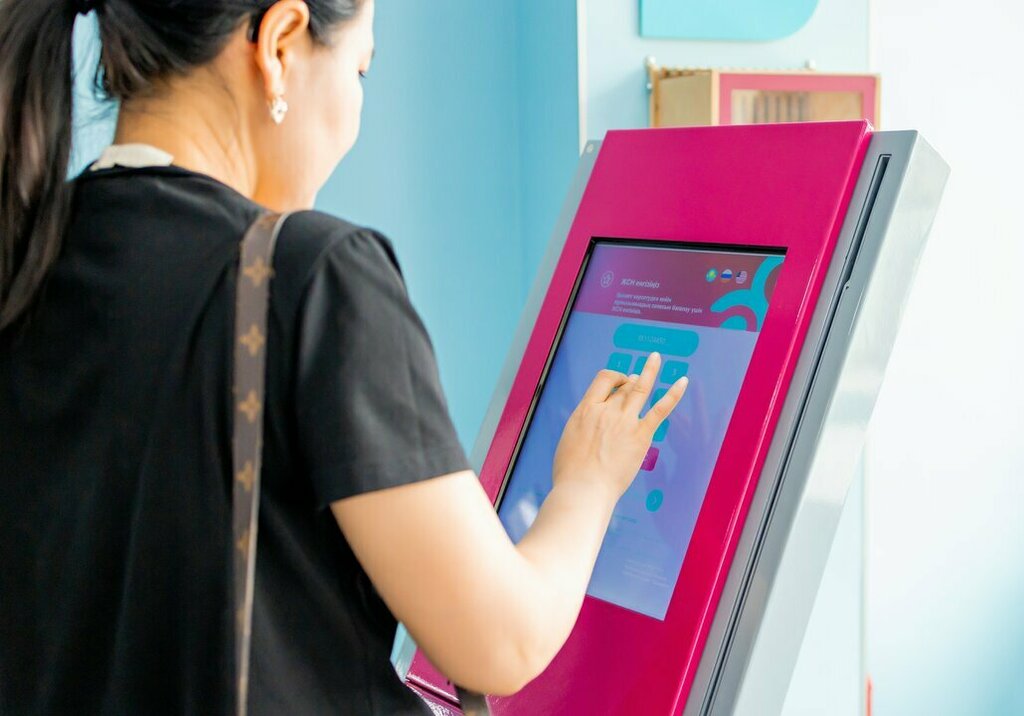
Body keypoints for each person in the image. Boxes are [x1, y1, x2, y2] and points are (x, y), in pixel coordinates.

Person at [0, 1, 689, 714]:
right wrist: (589, 481)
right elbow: (503, 642)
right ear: (280, 44)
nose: (356, 115)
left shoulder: (28, 254)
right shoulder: (309, 277)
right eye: (359, 71)